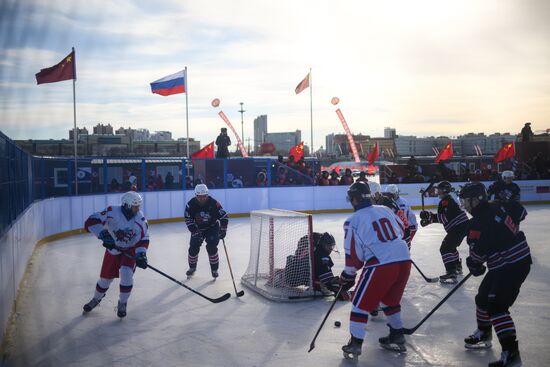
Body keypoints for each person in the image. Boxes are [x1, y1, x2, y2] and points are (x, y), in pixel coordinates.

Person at [459, 182, 531, 367]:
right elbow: (521, 213)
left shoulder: (477, 222)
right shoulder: (497, 206)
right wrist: (507, 202)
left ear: (477, 200)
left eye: (466, 201)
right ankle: (484, 333)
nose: (464, 205)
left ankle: (512, 356)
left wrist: (474, 265)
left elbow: (477, 256)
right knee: (482, 298)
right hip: (511, 262)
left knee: (497, 308)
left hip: (510, 266)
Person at [339, 182, 411, 359]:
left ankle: (355, 344)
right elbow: (404, 229)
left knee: (359, 304)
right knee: (389, 301)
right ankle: (397, 334)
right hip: (404, 258)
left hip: (381, 264)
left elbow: (353, 256)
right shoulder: (384, 209)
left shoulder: (352, 221)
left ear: (354, 199)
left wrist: (348, 275)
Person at [82, 191, 149, 318]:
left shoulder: (140, 219)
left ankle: (122, 303)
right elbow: (90, 221)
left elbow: (144, 238)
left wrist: (141, 255)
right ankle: (96, 299)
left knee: (126, 273)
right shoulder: (112, 211)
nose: (138, 209)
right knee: (105, 280)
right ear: (127, 205)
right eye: (135, 206)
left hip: (129, 250)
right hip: (113, 250)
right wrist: (103, 234)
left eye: (139, 206)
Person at [420, 181, 469, 283]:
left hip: (458, 227)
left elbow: (444, 218)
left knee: (445, 248)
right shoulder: (448, 200)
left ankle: (451, 271)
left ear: (445, 190)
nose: (438, 192)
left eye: (440, 189)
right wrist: (428, 221)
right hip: (462, 227)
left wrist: (428, 216)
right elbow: (443, 218)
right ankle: (457, 266)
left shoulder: (445, 201)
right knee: (451, 247)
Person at [284, 232, 347, 298]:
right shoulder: (322, 256)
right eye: (329, 246)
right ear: (324, 245)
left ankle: (280, 276)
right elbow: (328, 280)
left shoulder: (312, 249)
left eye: (332, 246)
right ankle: (315, 287)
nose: (331, 249)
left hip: (291, 274)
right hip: (294, 279)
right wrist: (340, 288)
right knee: (323, 286)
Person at [184, 184, 228, 278]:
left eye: (204, 196)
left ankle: (214, 269)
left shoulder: (213, 203)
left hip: (212, 227)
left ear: (207, 194)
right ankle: (192, 268)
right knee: (193, 248)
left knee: (212, 247)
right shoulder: (190, 204)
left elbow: (224, 216)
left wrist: (223, 229)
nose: (202, 198)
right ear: (196, 195)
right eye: (200, 196)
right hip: (197, 228)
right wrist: (194, 231)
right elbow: (188, 219)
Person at [386, 184, 417, 249]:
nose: (389, 197)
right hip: (394, 232)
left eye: (391, 195)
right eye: (388, 195)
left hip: (403, 232)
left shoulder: (403, 203)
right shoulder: (403, 202)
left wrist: (411, 232)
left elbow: (411, 218)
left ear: (396, 193)